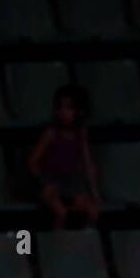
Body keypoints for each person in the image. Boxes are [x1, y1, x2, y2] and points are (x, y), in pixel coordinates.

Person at [27, 84, 101, 229]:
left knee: (93, 211)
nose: (63, 112)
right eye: (60, 108)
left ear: (79, 111)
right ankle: (57, 243)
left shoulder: (81, 133)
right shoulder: (51, 133)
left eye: (68, 108)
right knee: (60, 212)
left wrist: (95, 193)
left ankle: (83, 242)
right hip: (47, 183)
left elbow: (88, 164)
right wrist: (44, 183)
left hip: (69, 184)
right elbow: (32, 162)